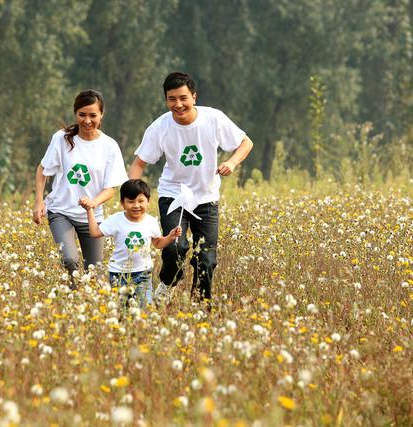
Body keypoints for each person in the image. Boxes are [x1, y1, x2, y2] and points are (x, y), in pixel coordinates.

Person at [129, 71, 254, 304]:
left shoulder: (213, 118)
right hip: (173, 195)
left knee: (207, 259)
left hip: (206, 198)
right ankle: (168, 283)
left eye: (183, 98)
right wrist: (132, 196)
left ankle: (200, 307)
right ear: (166, 100)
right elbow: (139, 163)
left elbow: (246, 142)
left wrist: (232, 162)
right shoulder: (159, 127)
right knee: (176, 247)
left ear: (194, 97)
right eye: (172, 99)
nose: (178, 105)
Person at [33, 89, 127, 287]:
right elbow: (43, 169)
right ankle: (74, 295)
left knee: (95, 272)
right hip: (61, 211)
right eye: (82, 115)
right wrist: (39, 201)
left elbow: (110, 188)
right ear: (75, 113)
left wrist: (93, 203)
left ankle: (86, 307)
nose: (87, 120)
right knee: (70, 259)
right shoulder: (62, 138)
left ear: (101, 114)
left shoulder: (109, 146)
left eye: (93, 115)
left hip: (91, 215)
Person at [79, 179, 181, 308]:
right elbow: (95, 232)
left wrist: (170, 237)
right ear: (122, 203)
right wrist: (89, 210)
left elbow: (158, 243)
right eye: (131, 201)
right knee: (121, 310)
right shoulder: (115, 220)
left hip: (143, 273)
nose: (136, 205)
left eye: (141, 201)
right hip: (118, 274)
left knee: (143, 309)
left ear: (148, 202)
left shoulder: (151, 222)